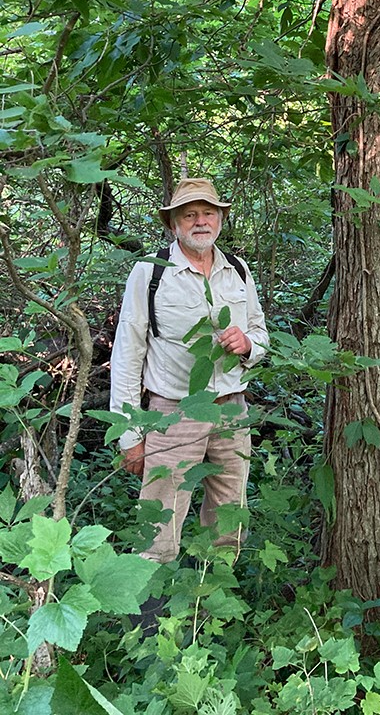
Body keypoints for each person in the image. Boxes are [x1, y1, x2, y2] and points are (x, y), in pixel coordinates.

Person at [110, 178, 269, 565]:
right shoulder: (151, 273)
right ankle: (149, 618)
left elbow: (260, 331)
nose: (201, 221)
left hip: (232, 410)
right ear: (174, 224)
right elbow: (128, 352)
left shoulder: (238, 270)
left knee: (229, 517)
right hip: (173, 413)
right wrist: (130, 435)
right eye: (190, 214)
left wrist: (248, 346)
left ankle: (212, 606)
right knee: (158, 524)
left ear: (220, 219)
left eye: (208, 213)